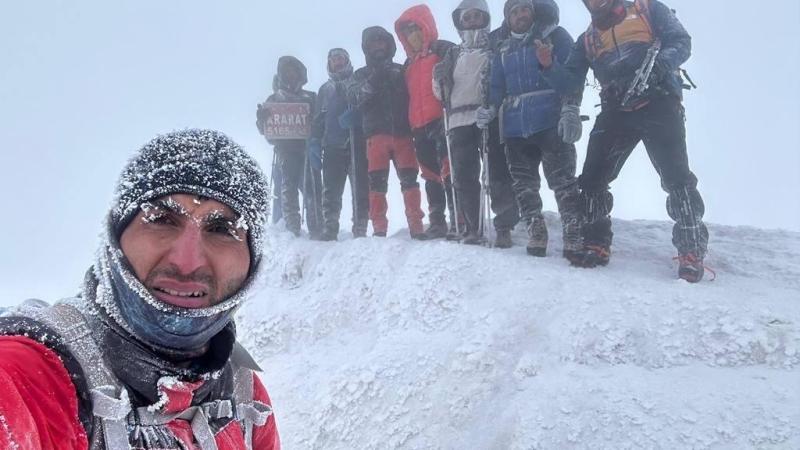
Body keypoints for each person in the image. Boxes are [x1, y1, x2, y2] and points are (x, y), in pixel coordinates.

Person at [0, 129, 280, 449]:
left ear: (251, 263)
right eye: (161, 219)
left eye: (221, 229)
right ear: (116, 239)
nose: (187, 262)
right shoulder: (32, 375)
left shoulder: (243, 395)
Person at [537, 0, 709, 282]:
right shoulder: (588, 39)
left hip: (660, 102)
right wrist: (548, 66)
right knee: (592, 178)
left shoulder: (647, 8)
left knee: (677, 178)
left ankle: (691, 250)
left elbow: (681, 42)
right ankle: (596, 241)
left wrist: (659, 66)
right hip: (616, 109)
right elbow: (570, 82)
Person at [482, 0, 585, 261]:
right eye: (514, 12)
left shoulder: (555, 37)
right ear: (507, 18)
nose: (520, 15)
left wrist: (570, 108)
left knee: (562, 181)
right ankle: (535, 229)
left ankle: (573, 230)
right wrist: (491, 108)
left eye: (524, 9)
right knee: (524, 184)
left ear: (533, 11)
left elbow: (573, 77)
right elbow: (496, 85)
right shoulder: (503, 48)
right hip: (514, 126)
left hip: (550, 119)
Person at [433, 0, 521, 247]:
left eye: (476, 16)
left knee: (496, 172)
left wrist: (494, 105)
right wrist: (438, 81)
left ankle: (503, 226)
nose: (472, 21)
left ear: (485, 18)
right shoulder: (453, 54)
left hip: (487, 115)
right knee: (463, 175)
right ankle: (473, 226)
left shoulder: (495, 46)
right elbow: (441, 93)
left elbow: (502, 80)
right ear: (460, 22)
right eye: (467, 17)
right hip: (458, 120)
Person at [346, 26, 428, 240]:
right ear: (366, 48)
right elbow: (354, 98)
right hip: (376, 137)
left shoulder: (402, 70)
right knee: (377, 183)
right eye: (373, 43)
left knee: (410, 180)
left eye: (381, 42)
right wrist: (376, 78)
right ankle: (379, 228)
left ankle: (416, 226)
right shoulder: (360, 75)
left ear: (389, 45)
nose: (378, 47)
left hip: (404, 134)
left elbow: (418, 93)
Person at [395, 5, 457, 239]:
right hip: (418, 126)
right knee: (430, 175)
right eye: (408, 31)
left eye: (416, 28)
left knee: (450, 171)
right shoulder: (408, 65)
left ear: (426, 26)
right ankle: (438, 220)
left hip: (442, 119)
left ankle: (460, 219)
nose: (412, 34)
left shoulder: (444, 50)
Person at [257, 56, 323, 239]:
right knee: (288, 187)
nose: (291, 76)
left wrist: (316, 134)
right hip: (285, 150)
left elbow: (320, 122)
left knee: (312, 187)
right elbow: (266, 131)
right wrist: (261, 120)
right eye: (287, 72)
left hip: (307, 149)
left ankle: (317, 227)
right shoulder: (273, 99)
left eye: (294, 72)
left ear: (300, 74)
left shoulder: (311, 98)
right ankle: (291, 227)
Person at [310, 48, 370, 241]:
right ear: (329, 63)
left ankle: (360, 227)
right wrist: (314, 140)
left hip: (356, 143)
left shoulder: (358, 81)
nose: (338, 62)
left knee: (360, 188)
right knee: (331, 190)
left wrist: (358, 116)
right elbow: (319, 119)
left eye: (341, 58)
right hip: (332, 145)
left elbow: (369, 106)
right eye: (334, 59)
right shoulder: (325, 90)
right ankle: (330, 227)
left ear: (347, 61)